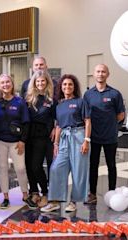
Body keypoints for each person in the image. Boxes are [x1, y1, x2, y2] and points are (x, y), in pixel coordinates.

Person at [41, 74, 91, 213]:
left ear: (74, 87)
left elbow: (87, 121)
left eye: (70, 84)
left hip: (79, 136)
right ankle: (55, 201)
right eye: (64, 85)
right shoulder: (59, 105)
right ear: (61, 87)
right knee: (56, 168)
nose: (67, 87)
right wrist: (56, 144)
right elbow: (58, 126)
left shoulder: (81, 102)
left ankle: (73, 202)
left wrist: (86, 140)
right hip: (63, 139)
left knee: (78, 171)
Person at [84, 64, 125, 204]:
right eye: (98, 71)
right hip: (93, 138)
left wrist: (110, 124)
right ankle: (92, 194)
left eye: (103, 72)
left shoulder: (115, 93)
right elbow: (85, 116)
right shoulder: (88, 95)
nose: (100, 74)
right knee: (93, 166)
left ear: (108, 74)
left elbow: (121, 115)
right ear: (94, 74)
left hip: (110, 138)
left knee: (111, 165)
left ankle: (112, 192)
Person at [0, 74, 30, 208]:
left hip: (16, 142)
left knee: (21, 168)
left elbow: (26, 123)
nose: (5, 85)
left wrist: (22, 141)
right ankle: (5, 197)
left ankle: (25, 195)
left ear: (12, 84)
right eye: (2, 83)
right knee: (2, 169)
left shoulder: (20, 102)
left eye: (7, 82)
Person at [24, 70, 55, 209]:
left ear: (47, 82)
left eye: (43, 81)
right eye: (38, 81)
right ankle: (34, 192)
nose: (40, 83)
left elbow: (56, 117)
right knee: (30, 167)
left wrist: (55, 127)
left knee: (37, 166)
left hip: (44, 136)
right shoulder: (29, 98)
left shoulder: (51, 99)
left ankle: (46, 192)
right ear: (34, 83)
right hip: (29, 135)